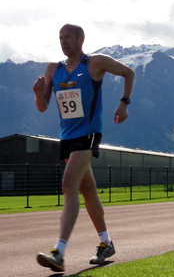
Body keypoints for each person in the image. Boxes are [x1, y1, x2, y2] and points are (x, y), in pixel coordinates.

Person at [33, 24, 135, 272]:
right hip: (66, 136)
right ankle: (106, 242)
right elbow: (42, 106)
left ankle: (59, 252)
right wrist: (38, 94)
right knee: (87, 189)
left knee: (69, 185)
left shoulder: (94, 63)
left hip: (88, 133)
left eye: (67, 37)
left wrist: (124, 104)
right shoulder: (52, 69)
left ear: (80, 39)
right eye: (60, 38)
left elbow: (129, 73)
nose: (63, 41)